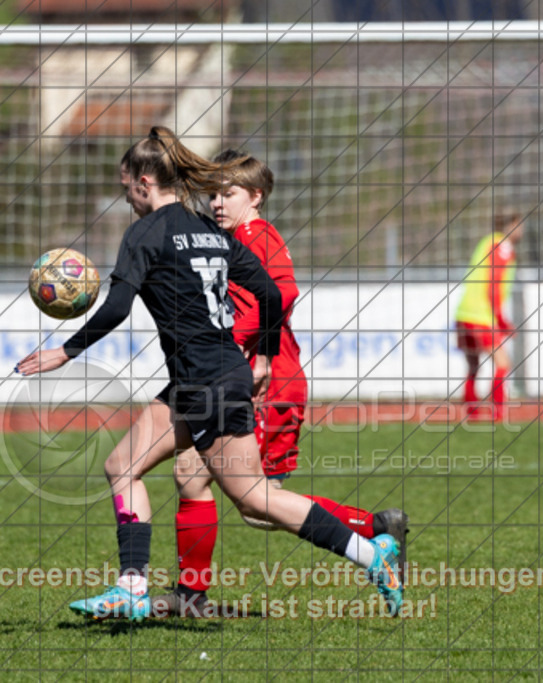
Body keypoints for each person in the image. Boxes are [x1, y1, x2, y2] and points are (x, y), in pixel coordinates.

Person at [16, 127, 404, 621]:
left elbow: (116, 306)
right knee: (122, 466)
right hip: (202, 378)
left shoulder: (146, 232)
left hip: (207, 382)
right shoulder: (207, 229)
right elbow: (268, 293)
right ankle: (132, 588)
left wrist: (66, 352)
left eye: (126, 187)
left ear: (143, 182)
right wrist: (261, 354)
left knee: (254, 498)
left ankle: (372, 554)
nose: (128, 198)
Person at [156, 151, 408, 617]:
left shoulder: (257, 235)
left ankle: (374, 533)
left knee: (256, 504)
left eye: (228, 193)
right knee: (193, 476)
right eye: (212, 193)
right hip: (244, 379)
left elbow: (283, 292)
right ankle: (191, 594)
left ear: (256, 196)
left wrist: (241, 346)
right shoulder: (232, 239)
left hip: (266, 382)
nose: (217, 202)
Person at [454, 210, 524, 422]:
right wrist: (501, 320)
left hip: (463, 313)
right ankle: (499, 412)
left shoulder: (487, 242)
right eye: (519, 226)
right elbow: (493, 283)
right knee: (503, 363)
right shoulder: (502, 247)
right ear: (510, 225)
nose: (521, 231)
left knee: (474, 365)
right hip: (481, 315)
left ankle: (471, 410)